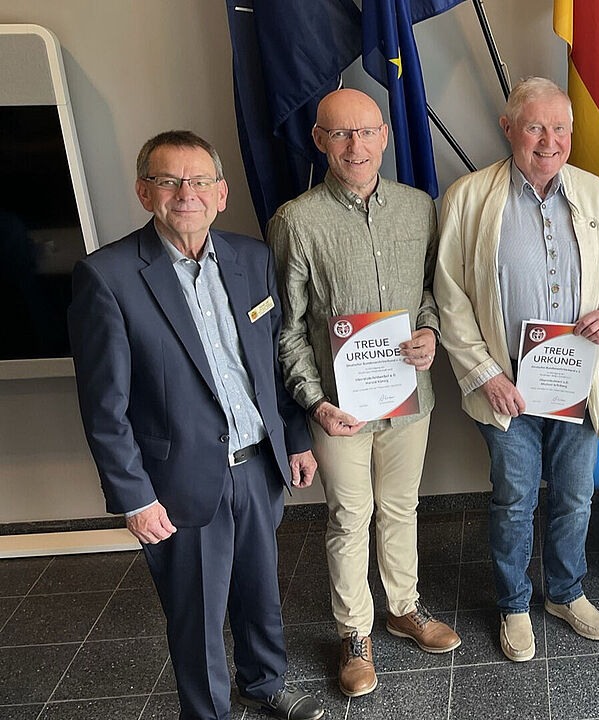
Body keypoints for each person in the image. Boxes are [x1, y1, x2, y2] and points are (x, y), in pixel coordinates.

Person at [69, 131, 323, 720]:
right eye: (168, 180)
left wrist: (296, 439)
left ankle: (264, 684)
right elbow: (104, 407)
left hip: (259, 467)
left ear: (221, 193)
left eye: (199, 180)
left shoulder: (252, 258)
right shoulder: (107, 277)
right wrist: (134, 497)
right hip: (177, 481)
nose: (186, 192)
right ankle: (207, 713)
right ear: (144, 192)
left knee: (260, 591)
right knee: (198, 612)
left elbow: (270, 365)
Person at [434, 77, 599, 662]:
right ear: (509, 128)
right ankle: (515, 603)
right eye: (536, 127)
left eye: (561, 128)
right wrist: (483, 375)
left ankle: (566, 592)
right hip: (507, 386)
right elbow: (450, 296)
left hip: (575, 382)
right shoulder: (468, 198)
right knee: (514, 498)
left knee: (574, 497)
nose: (550, 140)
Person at [268, 88, 459, 698]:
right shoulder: (296, 221)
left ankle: (404, 607)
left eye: (367, 132)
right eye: (341, 135)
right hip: (337, 406)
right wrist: (312, 399)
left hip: (409, 397)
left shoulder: (418, 207)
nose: (356, 146)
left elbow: (431, 289)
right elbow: (287, 326)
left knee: (401, 508)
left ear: (385, 136)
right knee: (350, 517)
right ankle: (356, 633)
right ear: (321, 141)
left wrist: (428, 329)